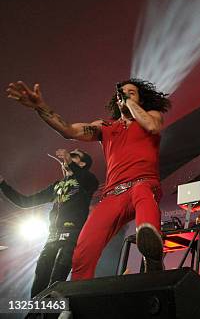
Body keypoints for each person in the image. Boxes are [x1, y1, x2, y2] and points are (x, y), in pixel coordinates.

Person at [6, 78, 171, 279]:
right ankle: (76, 302)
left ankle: (151, 253)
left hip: (143, 184)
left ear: (140, 99)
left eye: (131, 92)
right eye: (122, 93)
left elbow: (152, 126)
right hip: (113, 195)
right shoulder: (105, 127)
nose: (125, 95)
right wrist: (40, 107)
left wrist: (129, 102)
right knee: (82, 253)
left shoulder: (152, 116)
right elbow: (69, 130)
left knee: (143, 193)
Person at [0, 149, 98, 296]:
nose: (69, 157)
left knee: (56, 281)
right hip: (51, 237)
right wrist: (3, 185)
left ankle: (52, 313)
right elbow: (25, 202)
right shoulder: (56, 186)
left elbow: (86, 179)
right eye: (69, 155)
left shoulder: (88, 180)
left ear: (82, 164)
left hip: (71, 236)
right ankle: (35, 312)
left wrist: (69, 163)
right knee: (40, 278)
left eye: (74, 156)